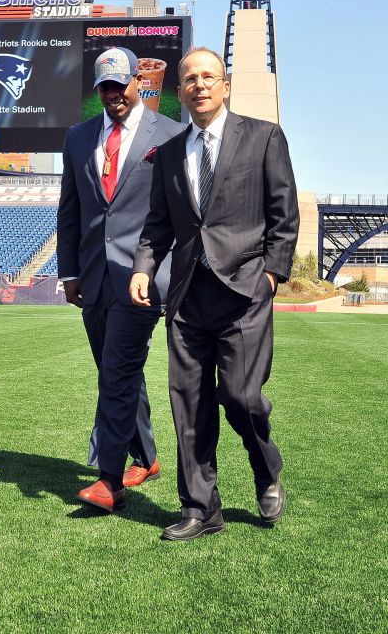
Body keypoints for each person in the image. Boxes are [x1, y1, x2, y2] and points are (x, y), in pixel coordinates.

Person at [130, 47, 299, 540]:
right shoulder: (168, 154)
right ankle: (201, 509)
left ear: (224, 86)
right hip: (186, 297)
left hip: (244, 291)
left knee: (242, 398)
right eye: (190, 79)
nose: (199, 85)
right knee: (188, 404)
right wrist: (144, 268)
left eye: (209, 77)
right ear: (179, 91)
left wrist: (271, 275)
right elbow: (156, 224)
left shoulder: (264, 137)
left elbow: (283, 213)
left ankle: (266, 470)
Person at [57, 47, 186, 512]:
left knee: (115, 371)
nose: (113, 93)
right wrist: (69, 271)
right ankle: (147, 456)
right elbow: (70, 210)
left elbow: (182, 213)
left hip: (143, 276)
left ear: (138, 83)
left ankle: (108, 479)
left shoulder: (171, 134)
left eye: (120, 84)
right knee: (117, 369)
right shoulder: (78, 137)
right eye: (105, 87)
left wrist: (169, 274)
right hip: (92, 275)